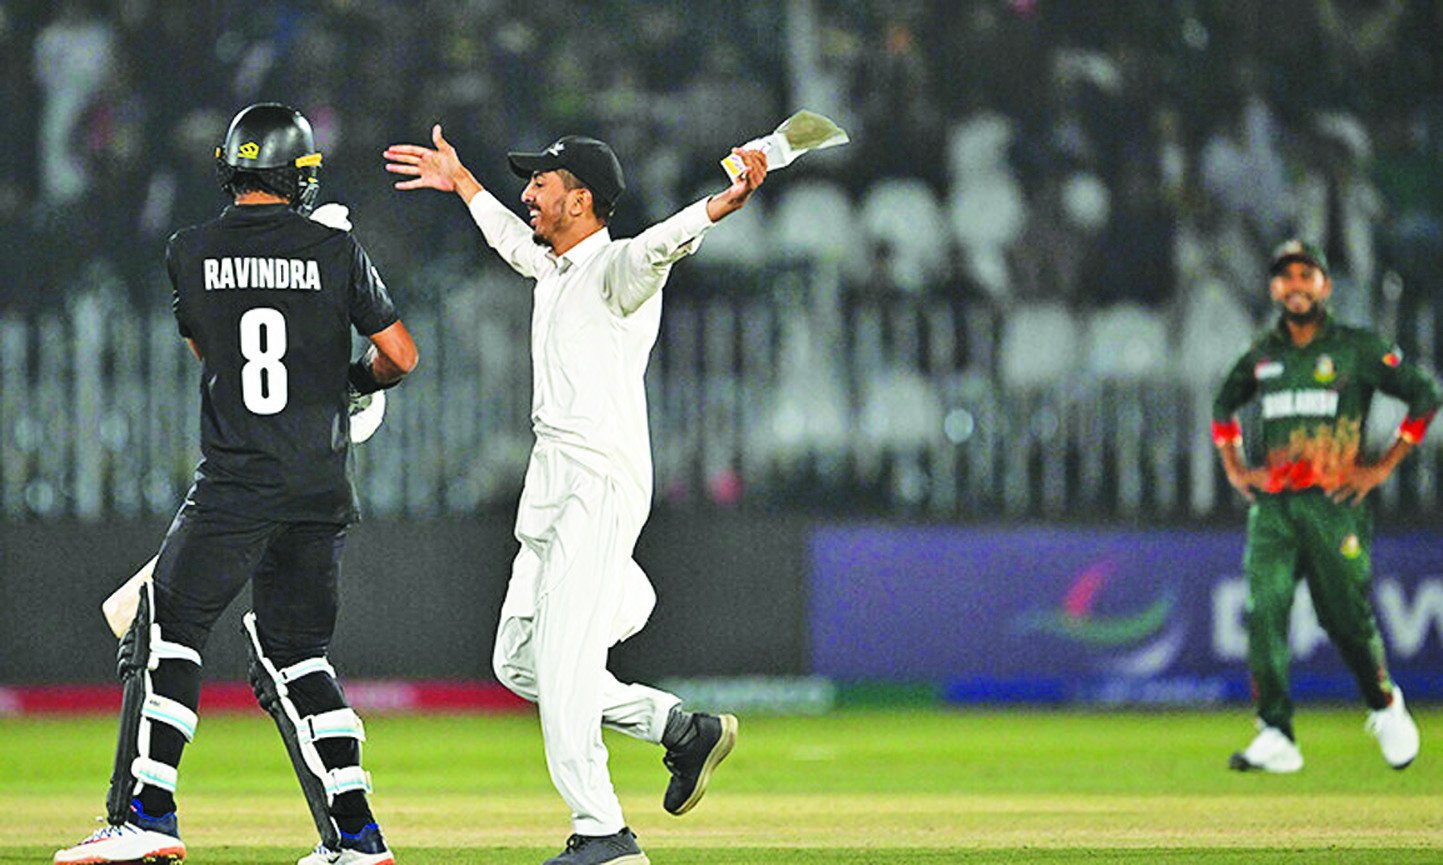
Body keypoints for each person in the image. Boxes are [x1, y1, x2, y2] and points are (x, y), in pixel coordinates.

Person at [383, 126, 764, 865]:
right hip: (552, 484)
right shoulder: (553, 267)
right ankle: (682, 728)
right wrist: (461, 183)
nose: (527, 193)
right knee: (518, 661)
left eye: (541, 183)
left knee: (561, 667)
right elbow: (507, 240)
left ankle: (603, 835)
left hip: (597, 482)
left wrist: (719, 205)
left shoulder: (618, 269)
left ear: (580, 199)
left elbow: (660, 243)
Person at [55, 103, 418, 865]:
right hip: (319, 483)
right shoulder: (336, 248)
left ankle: (146, 814)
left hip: (236, 479)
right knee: (299, 656)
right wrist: (344, 377)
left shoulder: (189, 249)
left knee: (166, 629)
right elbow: (399, 356)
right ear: (298, 174)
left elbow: (212, 352)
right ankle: (357, 837)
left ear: (231, 169)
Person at [1212, 239, 1438, 774]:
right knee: (1265, 610)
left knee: (1345, 621)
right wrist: (1236, 468)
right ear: (1273, 288)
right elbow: (1224, 407)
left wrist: (1380, 466)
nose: (1295, 285)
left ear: (1325, 286)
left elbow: (1424, 394)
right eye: (1286, 276)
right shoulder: (1261, 356)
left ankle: (1384, 705)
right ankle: (1276, 731)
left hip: (1334, 505)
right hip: (1273, 510)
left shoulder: (1358, 347)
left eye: (1306, 275)